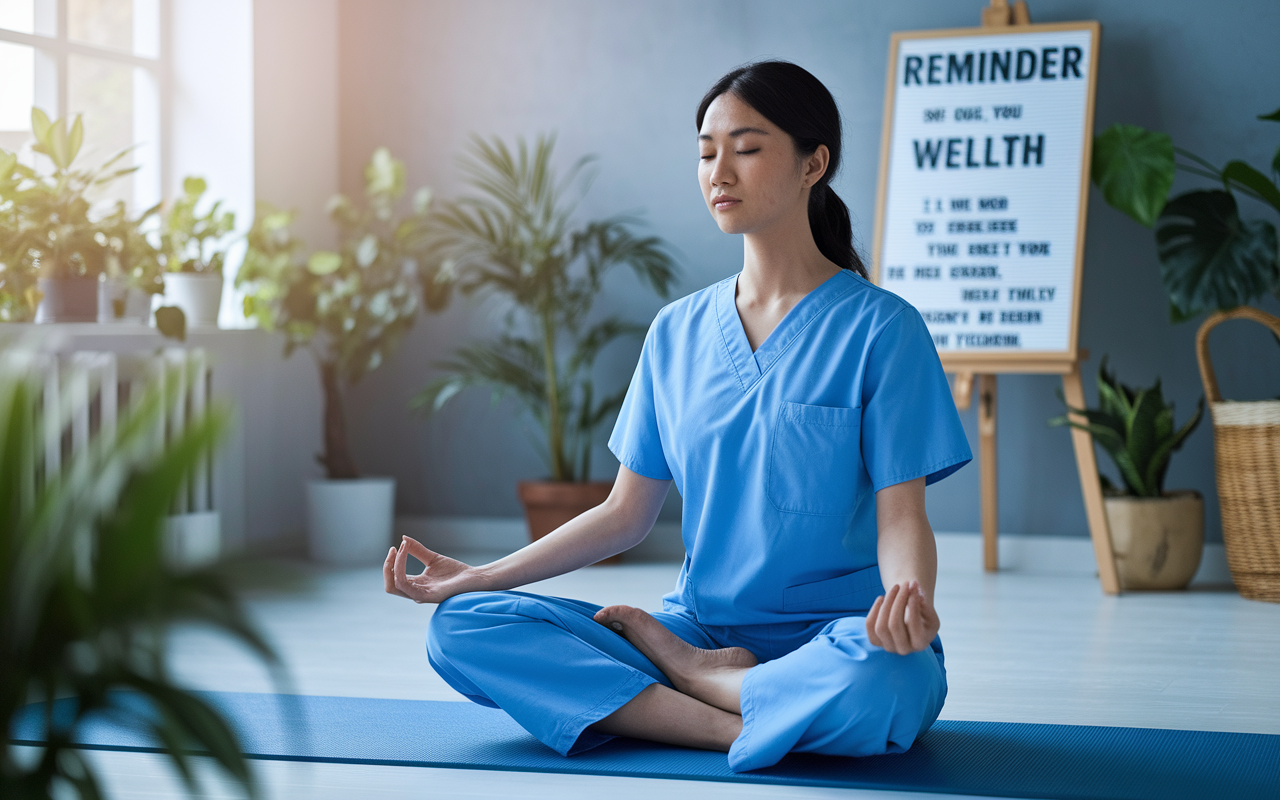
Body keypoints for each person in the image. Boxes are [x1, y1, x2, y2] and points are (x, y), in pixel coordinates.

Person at [383, 60, 972, 773]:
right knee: (463, 629)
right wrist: (482, 576)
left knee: (892, 680)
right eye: (705, 151)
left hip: (840, 635)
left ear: (814, 163)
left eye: (747, 148)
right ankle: (728, 719)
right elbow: (625, 515)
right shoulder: (676, 331)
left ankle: (706, 684)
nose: (719, 170)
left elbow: (901, 513)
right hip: (693, 626)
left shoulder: (884, 329)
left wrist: (909, 601)